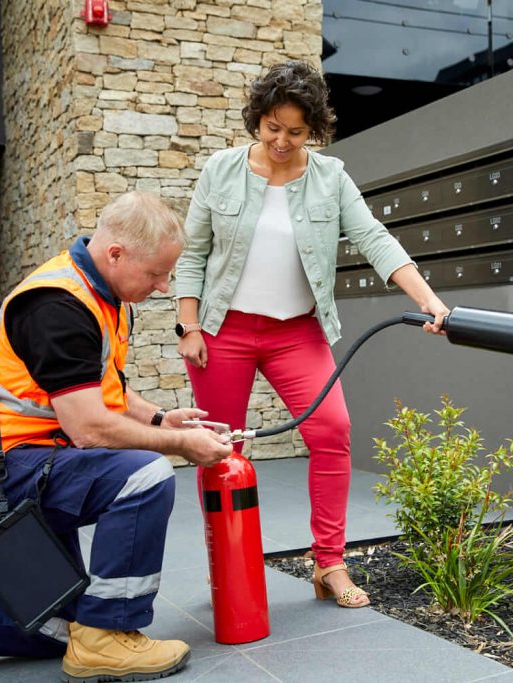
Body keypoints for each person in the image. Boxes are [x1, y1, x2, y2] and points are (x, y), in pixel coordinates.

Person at [0, 192, 236, 683]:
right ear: (116, 254)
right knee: (144, 475)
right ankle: (109, 639)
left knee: (59, 625)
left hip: (26, 464)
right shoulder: (57, 305)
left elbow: (103, 387)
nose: (163, 287)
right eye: (156, 274)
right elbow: (89, 427)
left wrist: (162, 420)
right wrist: (180, 446)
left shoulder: (100, 295)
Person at [175, 60, 450, 609]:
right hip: (221, 331)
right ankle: (225, 564)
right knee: (217, 451)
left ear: (315, 130)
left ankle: (329, 564)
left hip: (297, 332)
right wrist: (188, 324)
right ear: (258, 119)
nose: (281, 140)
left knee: (332, 431)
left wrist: (428, 299)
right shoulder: (220, 170)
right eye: (272, 127)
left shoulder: (330, 177)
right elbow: (194, 252)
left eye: (296, 132)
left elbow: (374, 238)